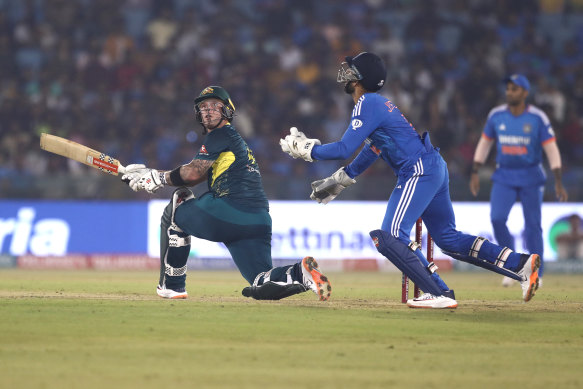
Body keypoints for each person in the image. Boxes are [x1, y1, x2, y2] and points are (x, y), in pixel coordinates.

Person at [279, 52, 540, 308]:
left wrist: (309, 151)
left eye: (351, 70)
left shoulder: (367, 103)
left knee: (390, 236)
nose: (345, 74)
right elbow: (375, 148)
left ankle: (438, 292)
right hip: (433, 167)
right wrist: (345, 177)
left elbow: (344, 149)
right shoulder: (377, 104)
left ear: (361, 78)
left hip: (417, 170)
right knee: (447, 239)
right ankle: (520, 264)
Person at [121, 85, 331, 301]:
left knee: (179, 202)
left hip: (231, 210)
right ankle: (301, 273)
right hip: (258, 221)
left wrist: (157, 177)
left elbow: (192, 174)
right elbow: (200, 173)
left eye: (215, 106)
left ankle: (172, 286)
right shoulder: (234, 141)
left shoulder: (221, 134)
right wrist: (151, 174)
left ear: (227, 111)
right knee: (263, 281)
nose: (208, 110)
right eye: (203, 107)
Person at [470, 74, 568, 287]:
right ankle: (512, 265)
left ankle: (535, 273)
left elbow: (551, 148)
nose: (509, 93)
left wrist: (558, 179)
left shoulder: (537, 118)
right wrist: (475, 171)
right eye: (508, 89)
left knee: (533, 225)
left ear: (525, 93)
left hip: (531, 176)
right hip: (504, 175)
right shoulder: (496, 115)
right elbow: (485, 143)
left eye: (514, 89)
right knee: (497, 219)